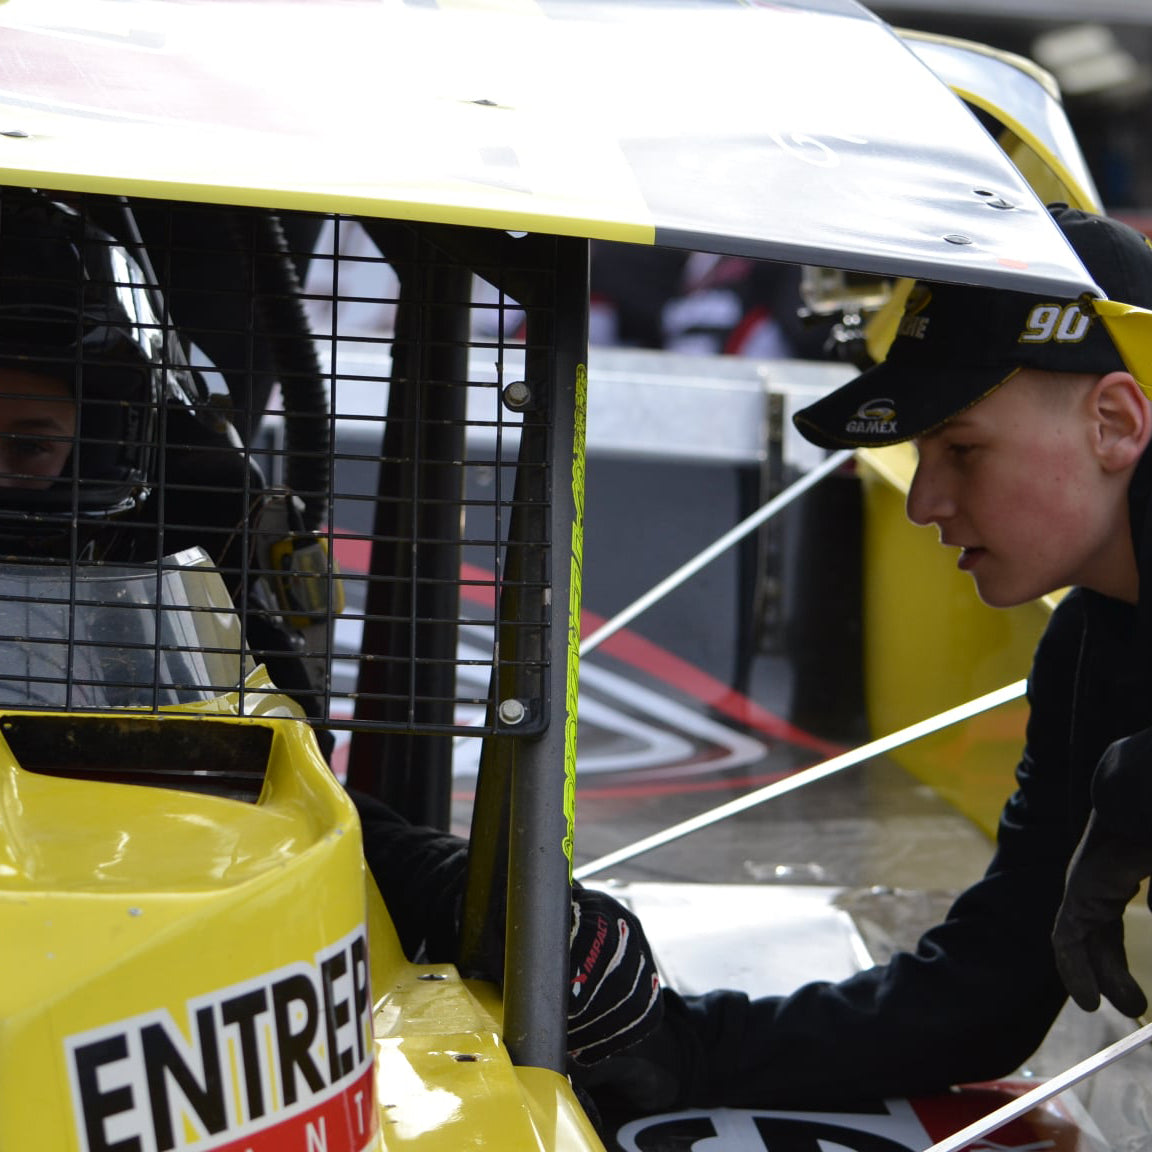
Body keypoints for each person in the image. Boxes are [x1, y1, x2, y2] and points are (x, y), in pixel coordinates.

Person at [0, 186, 662, 1069]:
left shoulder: (173, 540)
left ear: (107, 434)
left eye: (26, 446)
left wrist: (478, 895)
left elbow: (280, 788)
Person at [576, 204, 1152, 1112]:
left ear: (1115, 422)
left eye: (961, 449)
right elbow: (986, 995)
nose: (924, 501)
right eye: (923, 454)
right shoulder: (1088, 651)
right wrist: (689, 1045)